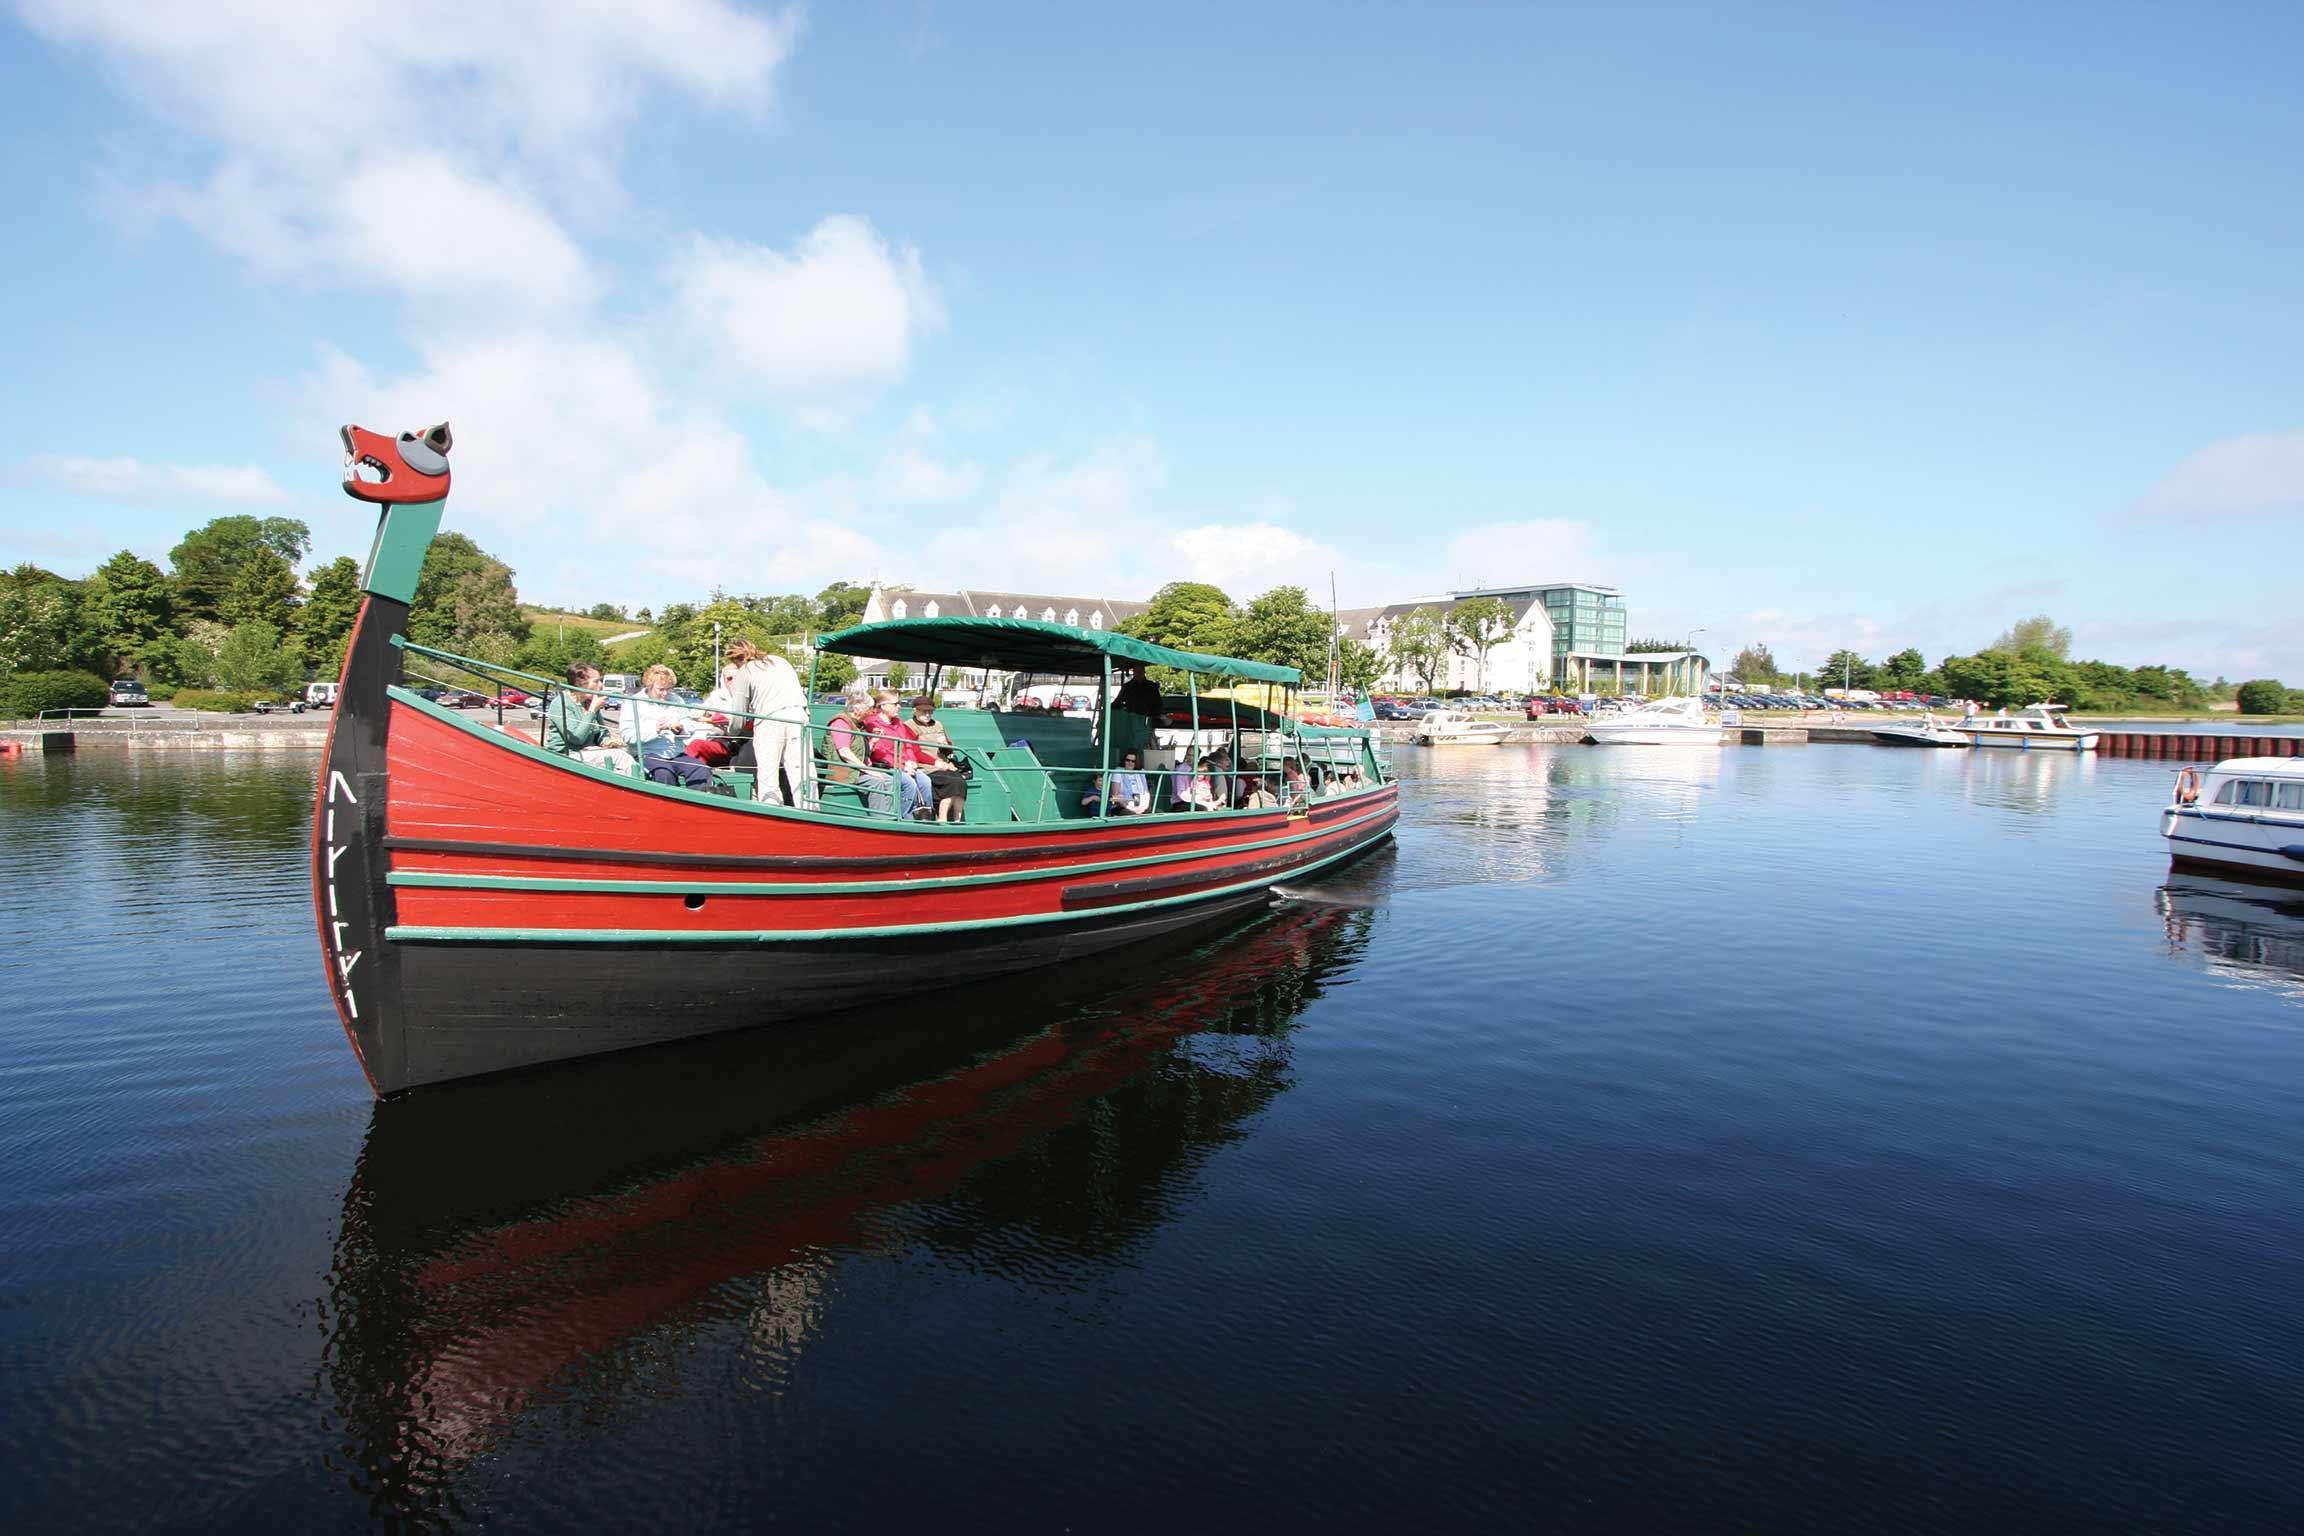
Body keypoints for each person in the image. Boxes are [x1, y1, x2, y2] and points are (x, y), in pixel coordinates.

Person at [723, 638, 807, 806]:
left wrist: (730, 734)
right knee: (802, 771)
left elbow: (739, 715)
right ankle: (810, 810)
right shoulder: (780, 661)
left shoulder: (744, 671)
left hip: (770, 721)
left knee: (768, 776)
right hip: (799, 717)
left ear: (736, 659)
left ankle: (772, 811)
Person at [621, 664, 712, 790]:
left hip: (675, 753)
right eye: (661, 689)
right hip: (646, 753)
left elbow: (690, 728)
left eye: (669, 689)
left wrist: (680, 729)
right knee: (664, 773)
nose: (665, 694)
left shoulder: (677, 700)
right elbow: (627, 735)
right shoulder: (633, 703)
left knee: (701, 770)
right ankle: (668, 807)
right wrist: (655, 729)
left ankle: (695, 805)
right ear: (649, 686)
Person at [543, 662, 634, 776]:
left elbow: (602, 732)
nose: (601, 685)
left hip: (588, 752)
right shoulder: (561, 703)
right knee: (620, 757)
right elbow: (576, 738)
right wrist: (592, 710)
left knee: (624, 755)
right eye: (596, 681)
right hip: (566, 755)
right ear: (580, 684)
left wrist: (606, 741)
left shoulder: (589, 702)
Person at [862, 689, 932, 820]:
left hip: (905, 765)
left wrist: (911, 761)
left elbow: (908, 745)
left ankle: (925, 817)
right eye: (895, 703)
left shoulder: (898, 723)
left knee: (925, 781)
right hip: (887, 766)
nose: (899, 706)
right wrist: (902, 766)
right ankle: (906, 818)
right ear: (883, 706)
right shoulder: (873, 724)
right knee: (909, 783)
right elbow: (880, 753)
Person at [909, 696, 971, 823]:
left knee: (960, 781)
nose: (927, 714)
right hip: (926, 767)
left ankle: (957, 820)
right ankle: (942, 819)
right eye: (923, 711)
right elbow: (914, 751)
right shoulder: (909, 726)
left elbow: (949, 750)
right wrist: (935, 763)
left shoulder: (938, 725)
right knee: (951, 783)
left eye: (930, 711)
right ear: (915, 710)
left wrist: (945, 745)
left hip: (944, 765)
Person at [1084, 750, 1153, 815]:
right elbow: (1115, 797)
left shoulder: (1141, 772)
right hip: (1122, 807)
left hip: (1140, 806)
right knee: (1131, 816)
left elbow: (1146, 793)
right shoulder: (1118, 772)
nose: (1130, 763)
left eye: (1133, 761)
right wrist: (1130, 808)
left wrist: (1144, 807)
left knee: (1158, 812)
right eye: (1127, 760)